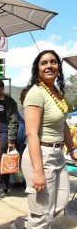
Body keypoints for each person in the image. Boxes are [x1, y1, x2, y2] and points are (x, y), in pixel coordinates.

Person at [11, 50, 77, 229]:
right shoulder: (36, 93)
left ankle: (22, 224)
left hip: (58, 156)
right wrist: (38, 171)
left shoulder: (56, 92)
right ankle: (30, 224)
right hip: (40, 155)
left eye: (53, 62)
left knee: (61, 203)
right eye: (44, 63)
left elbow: (63, 124)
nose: (49, 66)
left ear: (58, 66)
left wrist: (72, 149)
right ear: (37, 69)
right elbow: (31, 134)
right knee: (42, 216)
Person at [0, 79, 19, 200]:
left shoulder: (9, 102)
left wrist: (11, 139)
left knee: (2, 162)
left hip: (3, 136)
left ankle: (4, 187)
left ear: (2, 88)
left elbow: (14, 121)